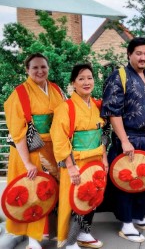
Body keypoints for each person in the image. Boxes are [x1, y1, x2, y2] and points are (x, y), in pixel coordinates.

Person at [98, 37, 145, 243]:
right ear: (129, 54)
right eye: (138, 53)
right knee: (127, 179)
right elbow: (112, 111)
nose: (143, 57)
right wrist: (124, 140)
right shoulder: (118, 76)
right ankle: (126, 223)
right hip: (128, 137)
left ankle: (139, 215)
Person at [4, 53, 65, 249]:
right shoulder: (20, 93)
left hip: (52, 148)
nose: (40, 71)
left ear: (48, 68)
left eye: (43, 67)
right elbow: (18, 131)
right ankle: (32, 239)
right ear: (27, 70)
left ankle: (53, 232)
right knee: (32, 192)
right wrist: (28, 162)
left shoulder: (55, 89)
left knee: (50, 191)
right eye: (35, 68)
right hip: (28, 151)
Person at [50, 64, 107, 249]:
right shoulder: (65, 108)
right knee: (73, 199)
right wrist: (70, 165)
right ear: (73, 83)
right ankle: (69, 240)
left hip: (96, 159)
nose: (86, 82)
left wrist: (104, 158)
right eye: (81, 78)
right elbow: (59, 138)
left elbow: (101, 133)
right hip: (76, 161)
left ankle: (84, 232)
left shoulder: (96, 105)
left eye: (89, 77)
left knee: (92, 195)